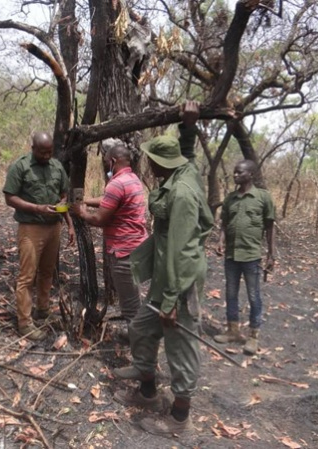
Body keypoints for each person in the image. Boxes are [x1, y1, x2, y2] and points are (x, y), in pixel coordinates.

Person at [112, 102, 214, 437]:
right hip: (165, 275)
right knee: (141, 328)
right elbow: (186, 155)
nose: (147, 162)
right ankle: (148, 391)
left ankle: (179, 420)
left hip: (179, 281)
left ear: (159, 164)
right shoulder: (183, 172)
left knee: (180, 349)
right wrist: (188, 126)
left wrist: (171, 299)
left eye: (151, 159)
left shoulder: (183, 193)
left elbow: (182, 251)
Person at [3, 132, 75, 340]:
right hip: (31, 227)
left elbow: (63, 195)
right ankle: (24, 323)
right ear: (32, 148)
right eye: (42, 152)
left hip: (54, 227)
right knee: (27, 276)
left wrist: (69, 223)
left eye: (49, 152)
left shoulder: (56, 166)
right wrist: (37, 208)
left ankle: (43, 310)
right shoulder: (21, 166)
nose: (46, 155)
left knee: (47, 272)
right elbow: (10, 197)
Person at [70, 142, 148, 323]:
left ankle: (137, 343)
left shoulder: (117, 184)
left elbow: (99, 219)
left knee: (130, 305)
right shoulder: (132, 179)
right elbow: (109, 200)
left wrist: (81, 212)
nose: (104, 164)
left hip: (123, 251)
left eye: (105, 161)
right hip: (136, 248)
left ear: (112, 161)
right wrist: (87, 201)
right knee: (133, 296)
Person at [214, 159, 275, 355]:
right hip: (232, 255)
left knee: (254, 295)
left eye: (239, 172)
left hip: (251, 256)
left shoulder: (262, 198)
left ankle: (253, 337)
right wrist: (221, 241)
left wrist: (271, 254)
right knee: (231, 293)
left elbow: (270, 227)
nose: (235, 175)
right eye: (234, 172)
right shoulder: (231, 199)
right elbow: (224, 223)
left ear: (250, 174)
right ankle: (233, 331)